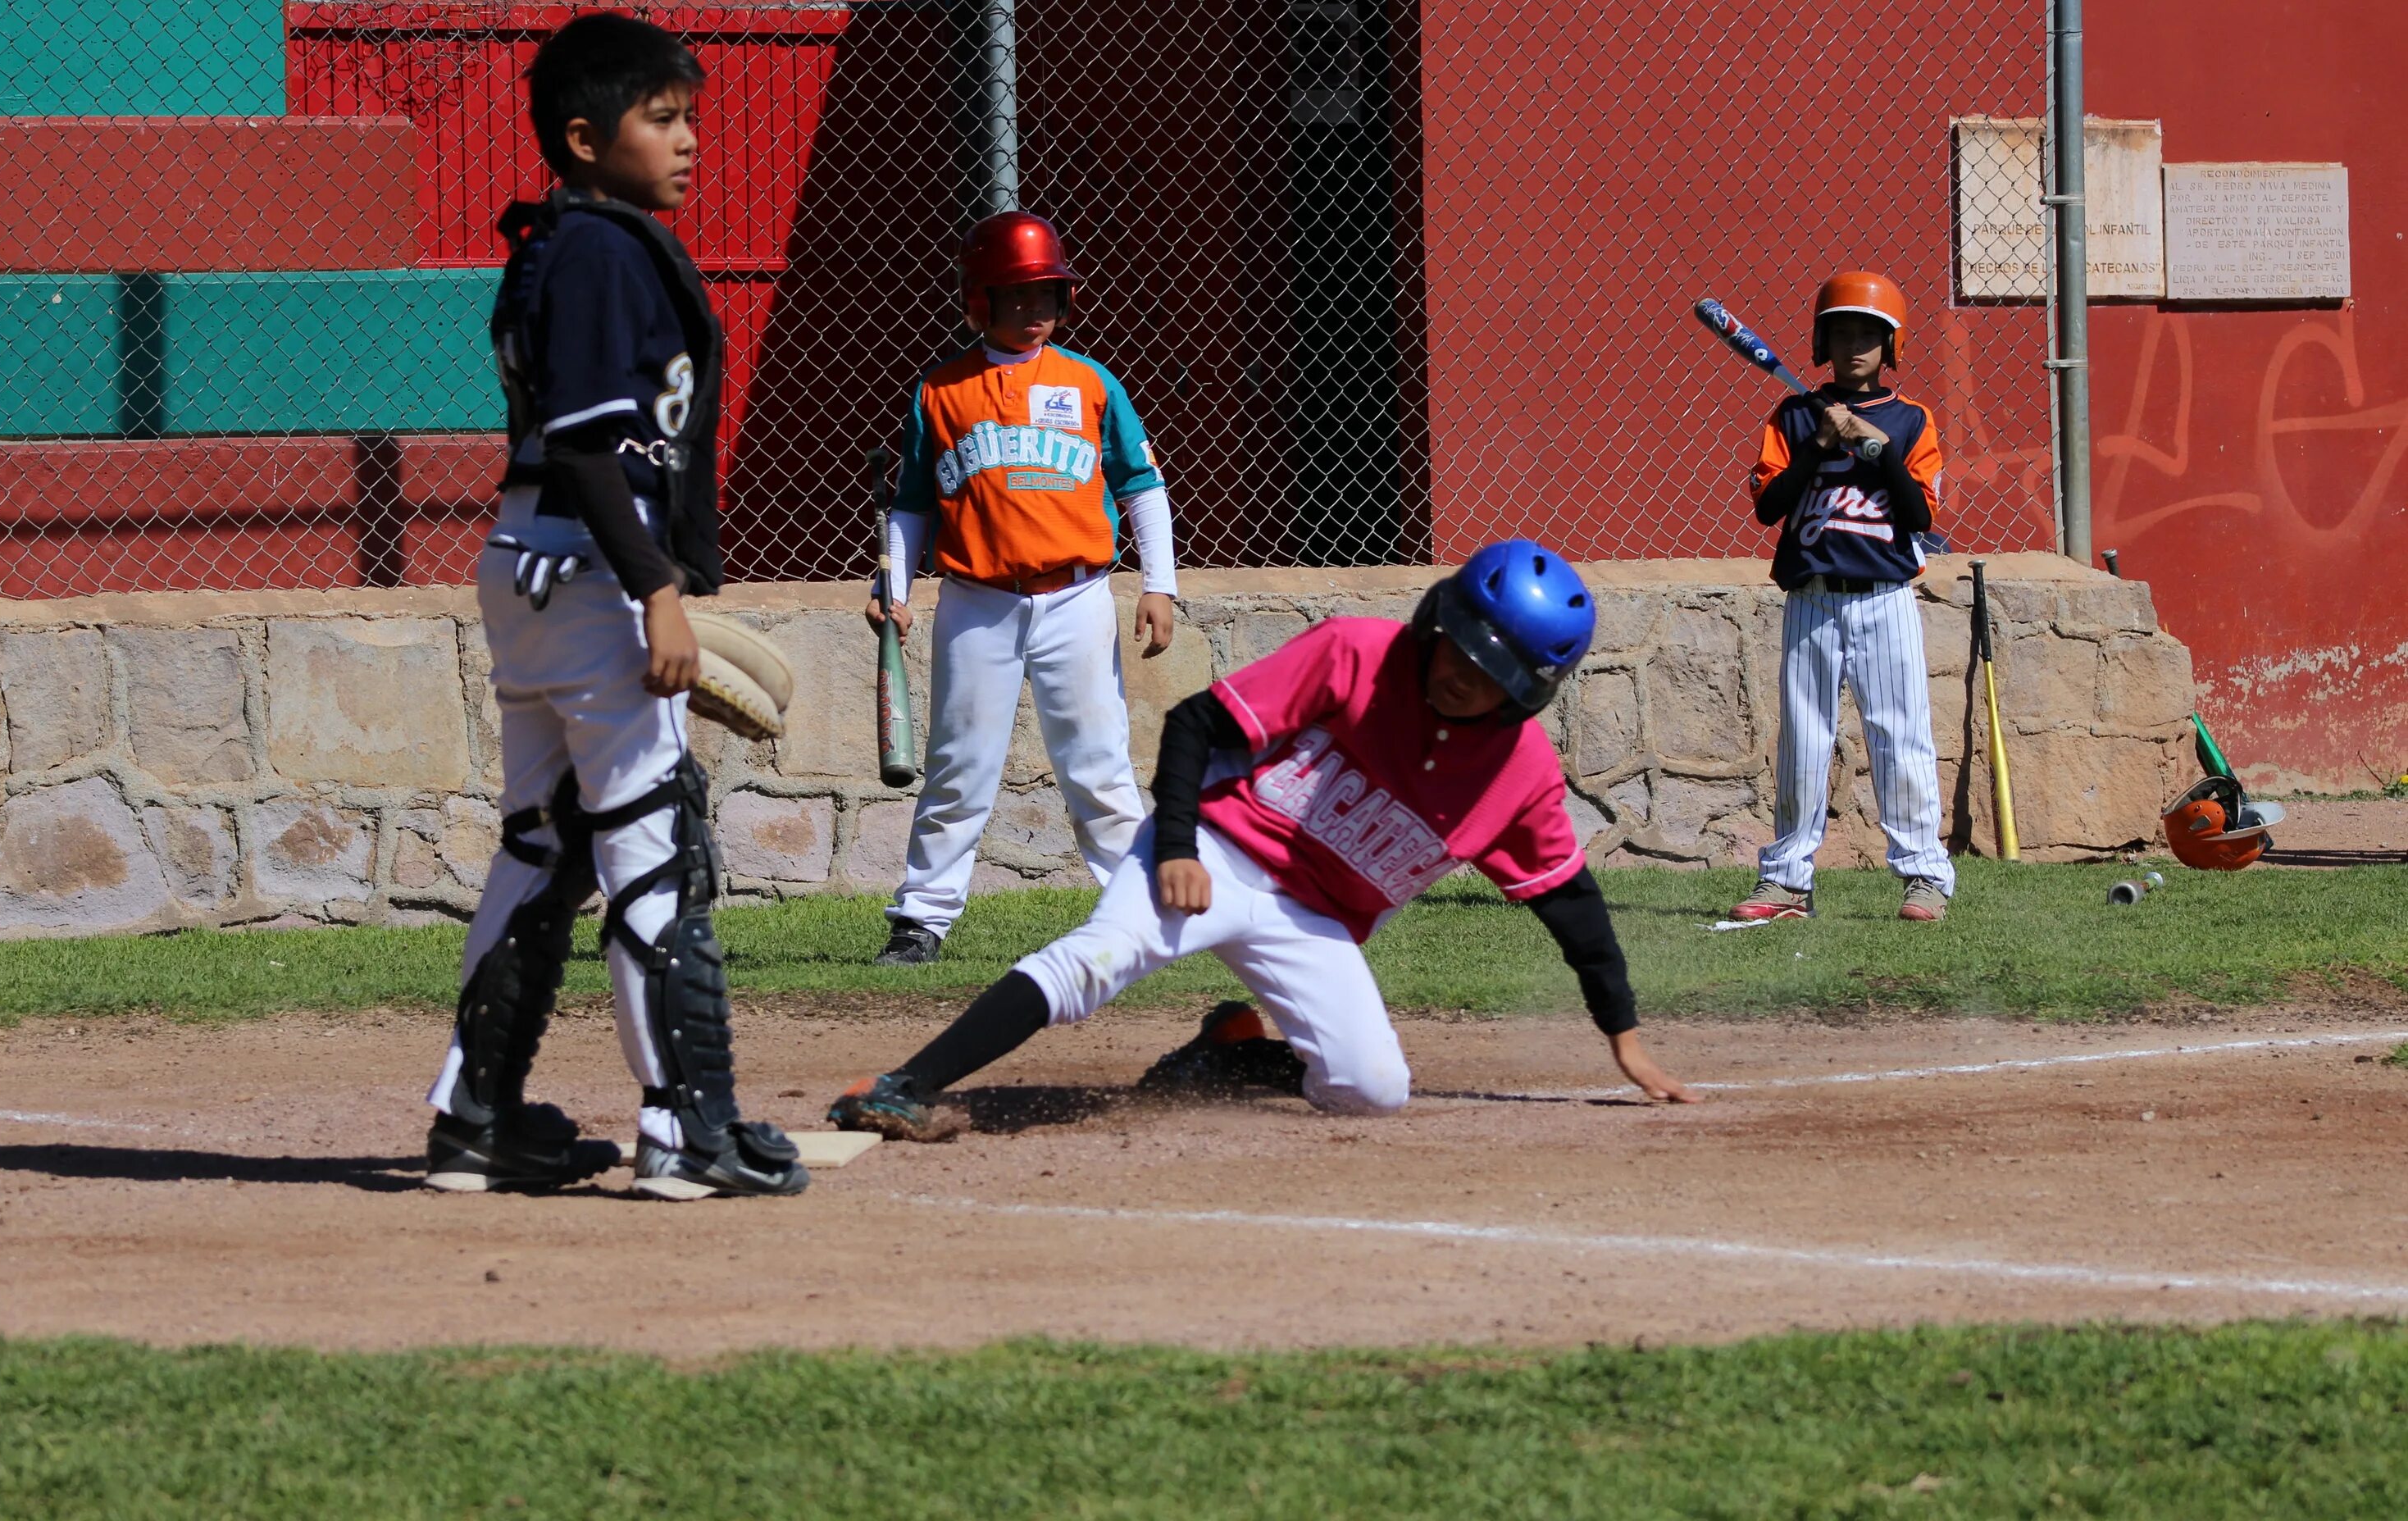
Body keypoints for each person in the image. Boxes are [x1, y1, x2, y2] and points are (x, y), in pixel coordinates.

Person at [827, 540, 1700, 1141]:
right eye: (1456, 649)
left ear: (1531, 689)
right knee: (1098, 957)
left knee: (1373, 1090)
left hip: (1312, 916)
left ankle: (1235, 1049)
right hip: (1212, 847)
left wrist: (1623, 1035)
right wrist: (1171, 845)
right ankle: (906, 1085)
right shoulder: (1358, 653)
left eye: (1489, 674)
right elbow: (1195, 724)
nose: (1457, 677)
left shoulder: (1520, 775)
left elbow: (1572, 906)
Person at [421, 13, 809, 1200]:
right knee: (656, 848)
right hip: (591, 571)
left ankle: (475, 1118)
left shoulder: (565, 241)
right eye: (662, 118)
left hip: (533, 558)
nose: (689, 140)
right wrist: (658, 593)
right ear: (586, 139)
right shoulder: (595, 249)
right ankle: (688, 1131)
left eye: (689, 115)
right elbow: (593, 446)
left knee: (542, 849)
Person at [865, 212, 1179, 964]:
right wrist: (896, 586)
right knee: (958, 765)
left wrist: (1159, 585)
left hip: (1077, 597)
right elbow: (910, 501)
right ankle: (921, 919)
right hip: (976, 601)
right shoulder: (941, 390)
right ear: (981, 300)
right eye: (1020, 295)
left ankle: (1135, 917)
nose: (1039, 310)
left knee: (1098, 764)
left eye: (1050, 295)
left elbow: (1142, 485)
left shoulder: (1087, 381)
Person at [1731, 271, 1955, 924]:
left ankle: (1923, 876)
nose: (1855, 343)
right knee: (1804, 740)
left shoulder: (1913, 420)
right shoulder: (1794, 415)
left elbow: (1919, 517)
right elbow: (1768, 509)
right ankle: (1787, 882)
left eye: (1869, 333)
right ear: (1822, 342)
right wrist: (1822, 443)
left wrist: (1879, 451)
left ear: (1892, 346)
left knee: (1900, 737)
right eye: (1843, 331)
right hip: (1811, 597)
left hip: (1885, 596)